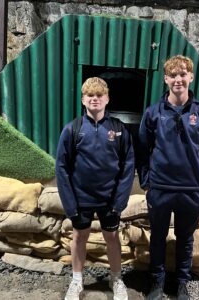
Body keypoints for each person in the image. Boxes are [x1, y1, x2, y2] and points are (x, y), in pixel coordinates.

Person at [138, 55, 199, 300]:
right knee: (158, 237)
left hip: (191, 190)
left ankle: (182, 283)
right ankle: (157, 282)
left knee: (185, 239)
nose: (178, 80)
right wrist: (146, 182)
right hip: (160, 188)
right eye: (173, 75)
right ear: (165, 79)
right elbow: (142, 149)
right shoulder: (153, 112)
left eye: (183, 74)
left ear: (191, 77)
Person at [56, 77, 135, 300]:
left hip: (109, 199)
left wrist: (120, 201)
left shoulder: (119, 130)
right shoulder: (72, 129)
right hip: (81, 198)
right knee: (80, 236)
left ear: (107, 99)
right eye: (90, 95)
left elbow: (128, 166)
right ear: (83, 99)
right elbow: (61, 167)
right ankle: (77, 280)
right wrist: (70, 203)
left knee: (112, 236)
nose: (95, 99)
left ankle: (116, 278)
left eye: (99, 95)